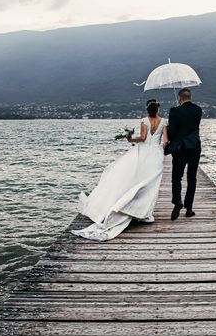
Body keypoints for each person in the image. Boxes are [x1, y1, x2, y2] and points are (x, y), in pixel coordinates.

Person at [72, 99, 168, 240]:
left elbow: (142, 138)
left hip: (143, 153)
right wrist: (161, 151)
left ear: (147, 111)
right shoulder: (164, 122)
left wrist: (129, 139)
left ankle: (134, 208)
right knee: (151, 185)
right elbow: (165, 141)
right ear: (158, 110)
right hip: (156, 155)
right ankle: (145, 213)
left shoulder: (144, 120)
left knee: (136, 180)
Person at [165, 88, 202, 221]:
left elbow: (173, 132)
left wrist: (167, 130)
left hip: (180, 148)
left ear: (180, 98)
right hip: (195, 147)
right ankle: (189, 209)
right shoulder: (198, 110)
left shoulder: (174, 111)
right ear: (190, 97)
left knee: (176, 177)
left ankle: (178, 201)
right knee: (192, 178)